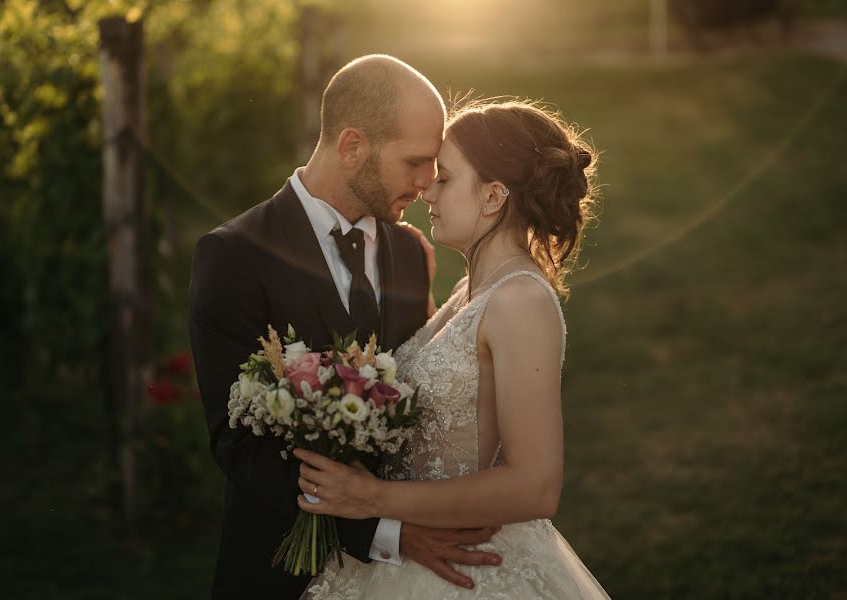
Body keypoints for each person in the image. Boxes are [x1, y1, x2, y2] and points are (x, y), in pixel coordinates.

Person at [188, 55, 503, 600]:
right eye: (414, 162)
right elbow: (238, 447)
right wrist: (390, 532)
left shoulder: (408, 250)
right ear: (353, 146)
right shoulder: (234, 255)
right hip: (280, 572)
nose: (428, 182)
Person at [293, 99, 611, 598]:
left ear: (493, 196)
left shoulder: (521, 300)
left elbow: (536, 486)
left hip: (471, 574)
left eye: (444, 178)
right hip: (410, 556)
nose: (426, 192)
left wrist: (373, 496)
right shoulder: (471, 293)